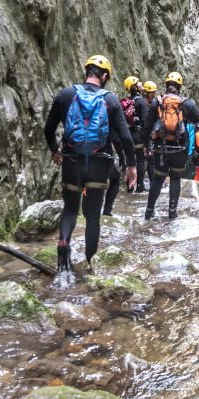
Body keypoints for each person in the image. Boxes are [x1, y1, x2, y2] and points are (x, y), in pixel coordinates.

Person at [43, 55, 137, 272]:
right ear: (104, 76)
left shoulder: (66, 94)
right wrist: (131, 166)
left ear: (87, 72)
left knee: (69, 210)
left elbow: (49, 129)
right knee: (93, 216)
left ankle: (63, 251)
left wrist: (55, 150)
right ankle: (89, 263)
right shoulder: (110, 100)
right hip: (99, 165)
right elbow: (125, 137)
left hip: (72, 162)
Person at [142, 72, 199, 220]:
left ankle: (149, 211)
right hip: (180, 149)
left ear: (166, 85)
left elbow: (147, 127)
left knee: (158, 179)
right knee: (175, 179)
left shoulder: (157, 102)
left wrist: (146, 146)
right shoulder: (187, 104)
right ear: (179, 86)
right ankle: (172, 212)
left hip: (161, 148)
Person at [120, 74, 149, 193]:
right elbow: (145, 121)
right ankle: (140, 186)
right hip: (138, 135)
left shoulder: (126, 102)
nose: (141, 84)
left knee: (129, 160)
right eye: (138, 83)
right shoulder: (141, 101)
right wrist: (147, 139)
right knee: (140, 160)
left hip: (127, 135)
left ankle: (129, 186)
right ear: (134, 87)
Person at [142, 80, 160, 190]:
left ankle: (152, 182)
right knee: (148, 160)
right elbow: (146, 123)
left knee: (151, 160)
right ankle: (142, 184)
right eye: (151, 92)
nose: (153, 94)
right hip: (147, 135)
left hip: (150, 135)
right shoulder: (144, 104)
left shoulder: (151, 104)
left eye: (154, 92)